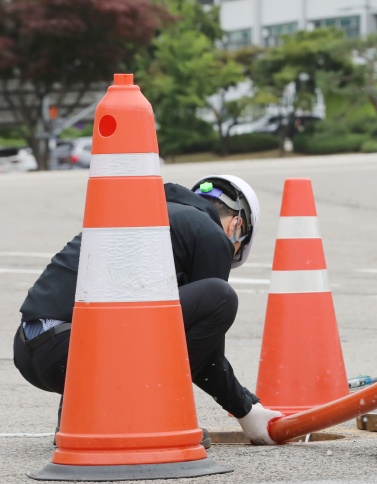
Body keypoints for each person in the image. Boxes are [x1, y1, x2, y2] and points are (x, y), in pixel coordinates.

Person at [13, 175, 282, 446]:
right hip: (71, 351)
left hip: (34, 352)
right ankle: (142, 417)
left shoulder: (151, 214)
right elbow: (208, 358)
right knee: (220, 297)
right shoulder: (210, 234)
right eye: (234, 249)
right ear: (236, 225)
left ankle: (84, 421)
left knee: (132, 318)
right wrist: (247, 409)